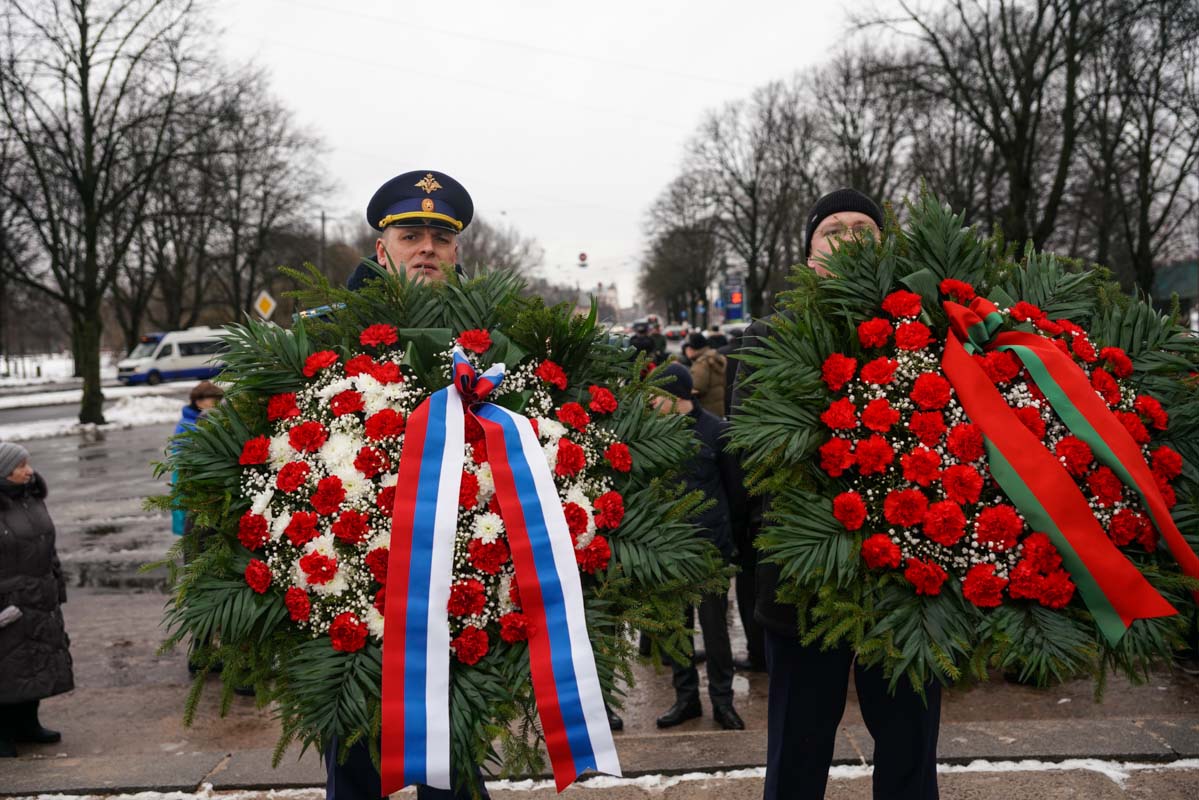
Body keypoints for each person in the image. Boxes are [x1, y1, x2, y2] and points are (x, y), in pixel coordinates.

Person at [732, 189, 940, 800]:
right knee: (797, 749)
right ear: (809, 253)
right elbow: (751, 456)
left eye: (863, 229)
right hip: (803, 583)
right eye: (832, 230)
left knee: (909, 748)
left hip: (907, 580)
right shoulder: (768, 335)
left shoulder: (919, 330)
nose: (848, 239)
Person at [328, 170, 491, 800]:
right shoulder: (327, 333)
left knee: (457, 768)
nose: (426, 247)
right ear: (380, 249)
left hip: (464, 591)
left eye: (439, 237)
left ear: (456, 252)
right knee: (354, 771)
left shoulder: (494, 338)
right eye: (409, 234)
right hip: (353, 590)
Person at [651, 363, 746, 732]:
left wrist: (729, 543)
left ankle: (723, 701)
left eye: (656, 395)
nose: (651, 402)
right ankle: (685, 698)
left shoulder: (716, 432)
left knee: (714, 630)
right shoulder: (655, 435)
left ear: (675, 397)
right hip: (670, 550)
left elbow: (736, 493)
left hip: (710, 548)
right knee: (676, 629)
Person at [0, 442, 73, 758]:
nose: (29, 471)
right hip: (8, 600)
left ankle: (28, 724)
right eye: (20, 466)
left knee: (34, 663)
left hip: (39, 595)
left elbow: (48, 546)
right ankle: (2, 732)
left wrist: (56, 584)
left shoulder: (30, 499)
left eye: (28, 463)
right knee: (8, 666)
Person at [172, 381, 225, 536]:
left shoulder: (203, 420)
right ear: (199, 402)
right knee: (192, 526)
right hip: (188, 478)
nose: (218, 405)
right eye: (214, 401)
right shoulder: (190, 425)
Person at [684, 332, 728, 418]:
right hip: (717, 407)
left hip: (706, 410)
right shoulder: (713, 357)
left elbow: (697, 387)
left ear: (693, 348)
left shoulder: (702, 363)